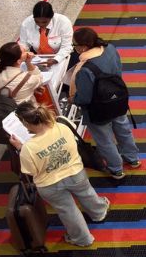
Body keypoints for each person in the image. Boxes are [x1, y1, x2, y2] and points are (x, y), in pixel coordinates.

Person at [9, 104, 110, 247]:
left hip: (50, 185)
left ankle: (82, 239)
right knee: (87, 193)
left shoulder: (28, 148)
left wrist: (20, 147)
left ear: (25, 123)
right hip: (75, 173)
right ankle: (99, 212)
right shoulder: (62, 125)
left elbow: (30, 172)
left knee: (67, 210)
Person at [69, 27, 139, 180]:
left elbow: (85, 98)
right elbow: (119, 71)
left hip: (98, 111)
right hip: (118, 101)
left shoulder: (85, 69)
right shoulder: (111, 49)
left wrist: (73, 99)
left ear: (83, 47)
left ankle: (116, 169)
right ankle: (132, 158)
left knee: (105, 140)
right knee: (123, 129)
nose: (74, 49)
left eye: (74, 45)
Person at [0, 42, 45, 106]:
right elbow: (39, 78)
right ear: (18, 61)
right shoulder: (28, 79)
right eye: (24, 51)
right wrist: (28, 62)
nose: (27, 52)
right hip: (22, 113)